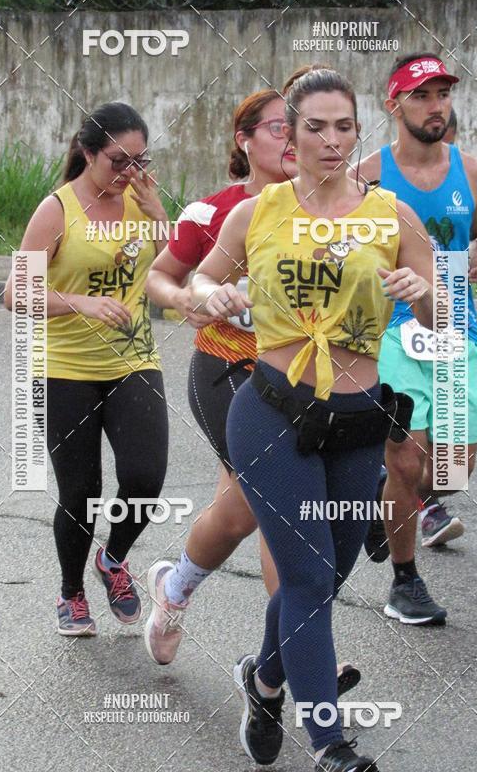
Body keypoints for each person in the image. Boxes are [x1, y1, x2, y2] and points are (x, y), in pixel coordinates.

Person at [192, 68, 437, 772]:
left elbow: (445, 320)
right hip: (270, 411)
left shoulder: (392, 216)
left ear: (359, 132)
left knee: (325, 578)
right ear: (290, 137)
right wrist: (216, 294)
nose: (331, 140)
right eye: (315, 126)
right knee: (303, 578)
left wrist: (424, 293)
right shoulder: (259, 211)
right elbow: (204, 276)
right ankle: (329, 740)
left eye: (344, 126)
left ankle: (264, 682)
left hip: (359, 417)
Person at [143, 81, 361, 694]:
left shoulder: (345, 206)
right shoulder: (218, 212)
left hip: (307, 381)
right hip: (228, 372)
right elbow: (162, 279)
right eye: (282, 128)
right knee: (278, 517)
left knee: (238, 514)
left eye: (329, 129)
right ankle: (302, 657)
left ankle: (175, 586)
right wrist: (196, 296)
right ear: (252, 140)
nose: (308, 140)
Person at [5, 102, 170, 636]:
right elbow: (14, 293)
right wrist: (81, 302)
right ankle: (71, 592)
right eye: (119, 161)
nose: (130, 173)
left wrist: (160, 215)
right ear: (88, 153)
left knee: (145, 477)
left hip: (133, 358)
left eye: (140, 161)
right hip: (63, 366)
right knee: (81, 490)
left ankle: (113, 559)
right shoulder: (57, 210)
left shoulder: (143, 202)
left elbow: (168, 267)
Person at [358, 54, 477, 625]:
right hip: (391, 333)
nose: (436, 105)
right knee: (408, 458)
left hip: (452, 329)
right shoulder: (367, 175)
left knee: (453, 470)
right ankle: (404, 581)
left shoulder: (472, 171)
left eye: (442, 94)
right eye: (422, 95)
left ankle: (382, 497)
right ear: (393, 105)